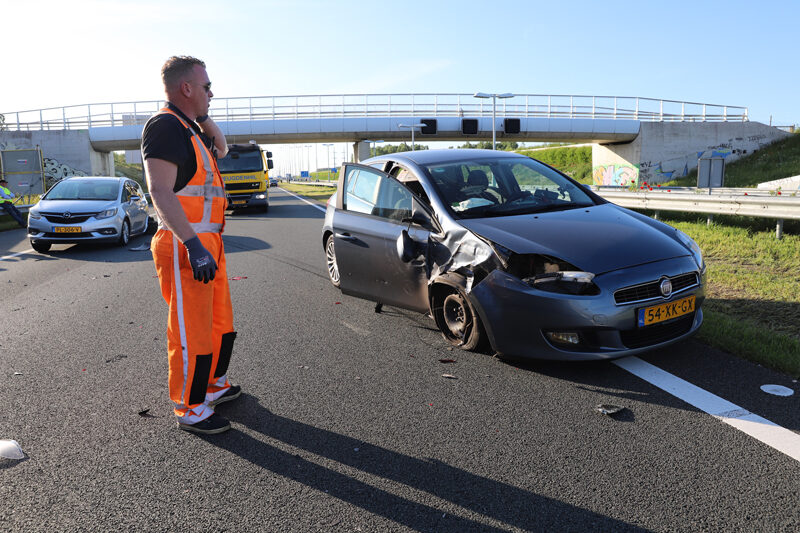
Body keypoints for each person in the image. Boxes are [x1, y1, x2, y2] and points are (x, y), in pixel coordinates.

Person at [141, 56, 240, 435]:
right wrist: (192, 244)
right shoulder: (165, 126)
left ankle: (213, 386)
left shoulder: (189, 127)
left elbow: (224, 148)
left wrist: (202, 116)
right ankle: (190, 406)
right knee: (189, 329)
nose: (212, 93)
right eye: (206, 86)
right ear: (186, 88)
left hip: (207, 242)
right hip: (187, 245)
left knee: (219, 321)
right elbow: (160, 191)